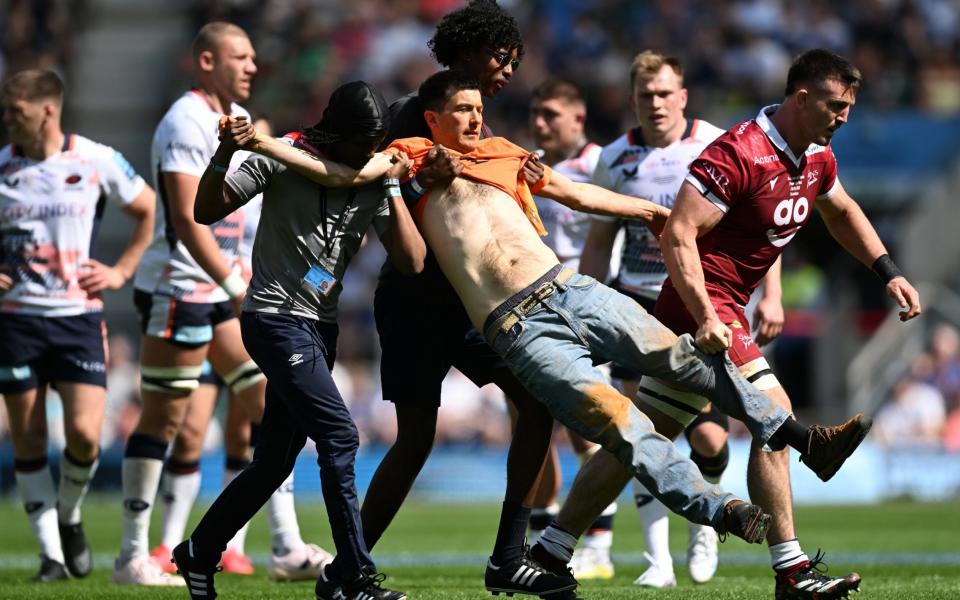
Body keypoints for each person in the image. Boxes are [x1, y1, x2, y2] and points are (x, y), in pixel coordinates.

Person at [239, 69, 871, 597]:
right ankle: (722, 510)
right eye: (463, 110)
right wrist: (264, 143)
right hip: (517, 326)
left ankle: (800, 439)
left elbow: (576, 193)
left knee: (687, 362)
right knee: (623, 423)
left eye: (480, 109)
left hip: (571, 289)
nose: (476, 119)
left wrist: (651, 211)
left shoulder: (505, 153)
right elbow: (336, 175)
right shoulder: (408, 157)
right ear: (431, 118)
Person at [557, 48, 922, 600]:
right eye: (835, 105)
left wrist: (887, 270)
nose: (845, 116)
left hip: (726, 306)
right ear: (801, 99)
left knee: (640, 438)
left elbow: (841, 211)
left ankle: (549, 549)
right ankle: (792, 569)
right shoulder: (737, 152)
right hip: (700, 306)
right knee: (774, 418)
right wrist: (705, 315)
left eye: (849, 106)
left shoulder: (817, 154)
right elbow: (678, 232)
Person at [177, 80, 420, 600]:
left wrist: (393, 187)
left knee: (273, 462)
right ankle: (353, 578)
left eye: (374, 144)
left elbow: (411, 261)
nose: (367, 153)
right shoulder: (285, 155)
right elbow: (205, 210)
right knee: (341, 437)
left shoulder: (373, 175)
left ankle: (198, 550)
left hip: (320, 326)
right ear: (335, 133)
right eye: (360, 143)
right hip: (273, 318)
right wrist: (225, 152)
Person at [362, 2, 566, 596]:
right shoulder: (408, 115)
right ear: (473, 51)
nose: (508, 69)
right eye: (502, 56)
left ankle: (507, 559)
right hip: (415, 301)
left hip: (473, 304)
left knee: (536, 405)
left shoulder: (481, 130)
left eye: (514, 59)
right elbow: (377, 190)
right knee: (416, 440)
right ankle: (349, 563)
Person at [115, 22, 326, 586]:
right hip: (180, 289)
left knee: (272, 404)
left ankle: (284, 546)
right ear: (205, 61)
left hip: (227, 289)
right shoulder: (185, 120)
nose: (252, 65)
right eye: (240, 56)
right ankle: (133, 556)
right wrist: (238, 289)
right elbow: (186, 219)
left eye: (254, 56)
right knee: (167, 420)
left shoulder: (247, 127)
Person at [579, 50, 780, 588]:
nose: (656, 103)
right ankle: (657, 562)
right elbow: (600, 239)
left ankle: (705, 527)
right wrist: (593, 306)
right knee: (639, 434)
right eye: (646, 95)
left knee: (710, 441)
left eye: (665, 93)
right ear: (633, 99)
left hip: (702, 307)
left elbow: (762, 224)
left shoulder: (717, 143)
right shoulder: (616, 158)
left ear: (683, 96)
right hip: (638, 307)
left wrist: (773, 297)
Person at [0, 69, 155, 581]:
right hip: (16, 322)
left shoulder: (94, 158)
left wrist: (121, 270)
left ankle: (68, 515)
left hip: (77, 319)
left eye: (14, 111)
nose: (6, 119)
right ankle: (50, 557)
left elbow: (148, 209)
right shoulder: (2, 167)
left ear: (47, 110)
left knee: (86, 437)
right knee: (27, 440)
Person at [525, 77, 617, 581]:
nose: (540, 123)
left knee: (587, 427)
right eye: (536, 113)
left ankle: (598, 541)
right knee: (531, 426)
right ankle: (543, 533)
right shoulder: (525, 169)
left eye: (551, 114)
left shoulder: (601, 166)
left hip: (582, 311)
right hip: (529, 312)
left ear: (578, 118)